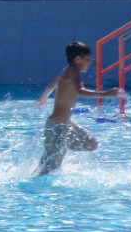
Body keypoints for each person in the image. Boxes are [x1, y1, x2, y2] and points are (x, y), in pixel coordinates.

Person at [33, 41, 121, 176]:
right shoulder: (73, 71)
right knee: (49, 170)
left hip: (65, 124)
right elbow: (80, 91)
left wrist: (43, 98)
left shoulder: (66, 71)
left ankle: (59, 148)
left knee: (91, 143)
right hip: (57, 126)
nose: (90, 62)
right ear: (78, 59)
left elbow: (52, 84)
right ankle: (35, 187)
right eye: (87, 59)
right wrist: (106, 94)